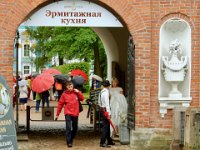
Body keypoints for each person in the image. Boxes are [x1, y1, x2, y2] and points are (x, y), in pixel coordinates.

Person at [55, 81, 84, 148]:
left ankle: (71, 138)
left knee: (75, 128)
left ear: (73, 86)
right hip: (68, 113)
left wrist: (78, 92)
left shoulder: (76, 92)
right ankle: (69, 142)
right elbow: (60, 104)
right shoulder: (64, 94)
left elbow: (82, 99)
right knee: (68, 127)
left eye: (71, 85)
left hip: (75, 113)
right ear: (66, 87)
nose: (70, 87)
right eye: (68, 86)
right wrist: (57, 114)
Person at [98, 80, 115, 148]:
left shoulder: (101, 92)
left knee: (107, 126)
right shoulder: (106, 92)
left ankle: (109, 140)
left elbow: (99, 102)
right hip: (106, 110)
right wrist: (109, 113)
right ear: (108, 86)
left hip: (102, 109)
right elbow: (107, 103)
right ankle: (102, 142)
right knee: (105, 127)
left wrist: (102, 107)